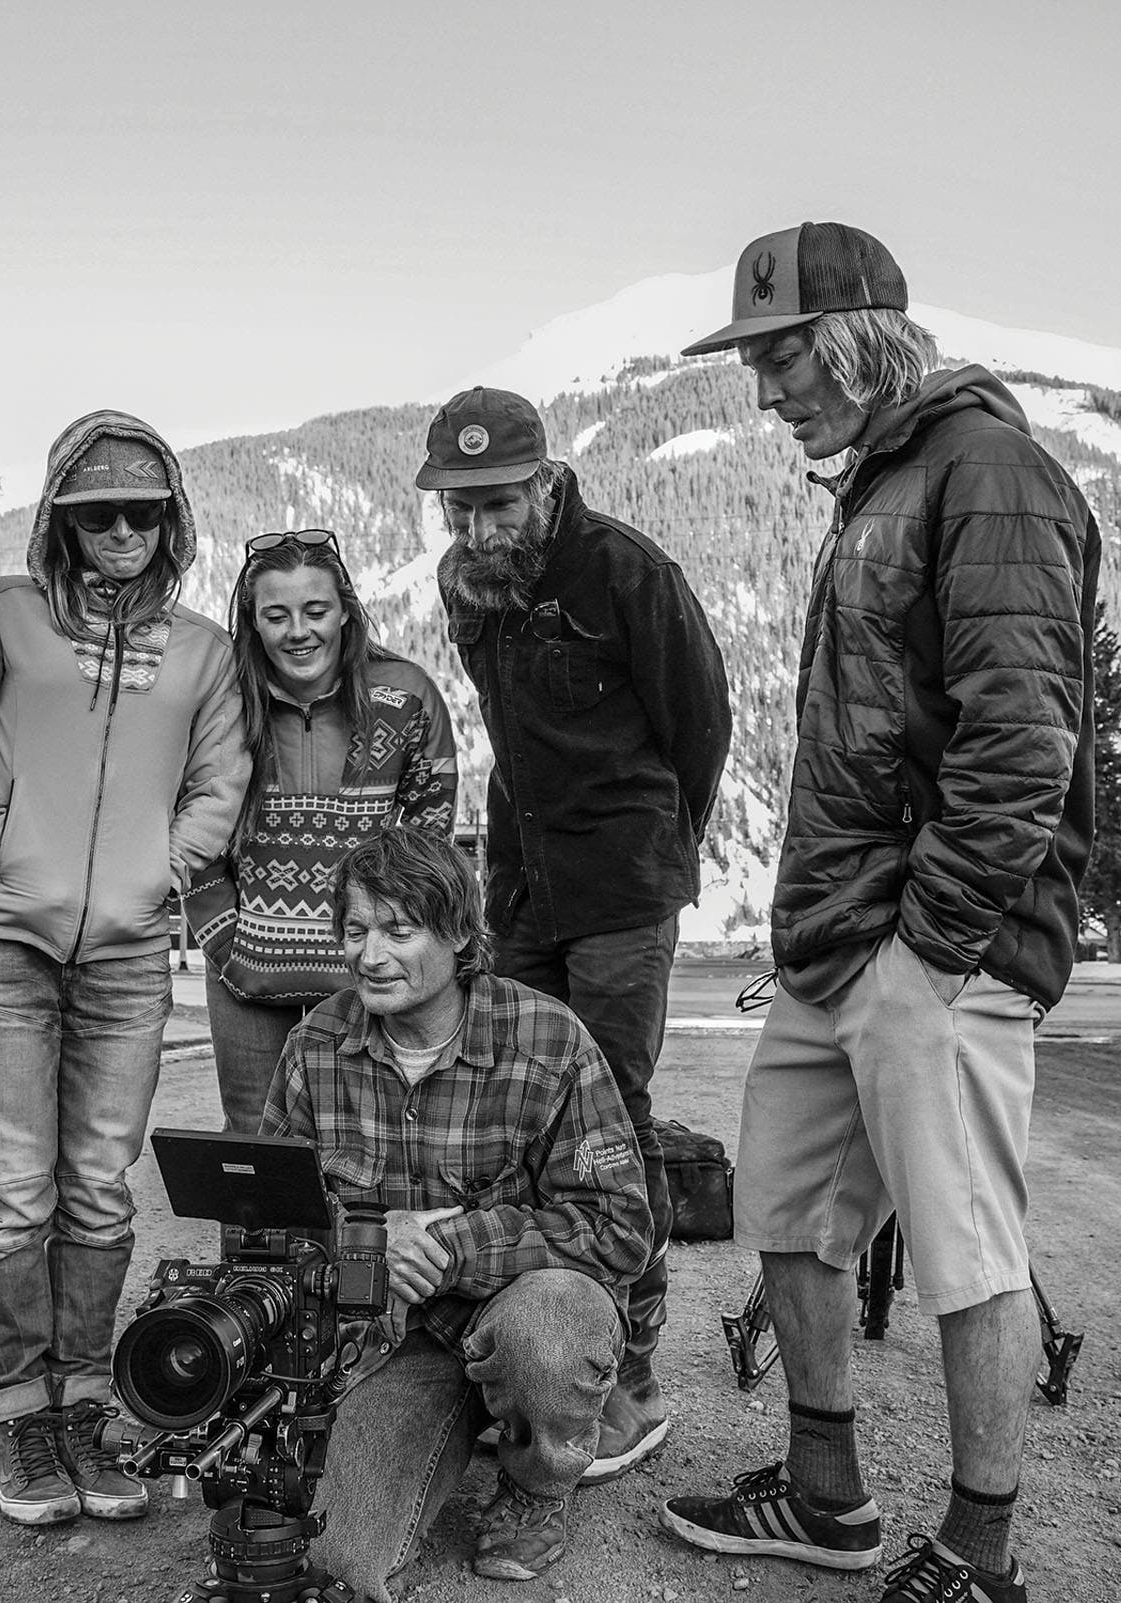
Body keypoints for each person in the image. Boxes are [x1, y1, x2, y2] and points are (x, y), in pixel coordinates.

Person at [658, 223, 1099, 1603]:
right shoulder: (888, 479)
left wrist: (934, 943)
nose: (764, 388)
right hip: (842, 936)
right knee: (786, 1212)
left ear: (855, 338)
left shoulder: (990, 475)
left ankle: (983, 1550)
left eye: (780, 354)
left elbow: (1022, 740)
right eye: (756, 360)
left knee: (964, 1244)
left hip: (934, 946)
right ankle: (826, 1491)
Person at [0, 411, 251, 1530]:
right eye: (96, 512)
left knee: (101, 1185)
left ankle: (85, 1401)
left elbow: (220, 782)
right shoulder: (3, 613)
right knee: (13, 1185)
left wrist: (168, 866)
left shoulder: (202, 651)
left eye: (142, 514)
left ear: (173, 523)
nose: (120, 531)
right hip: (3, 936)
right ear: (60, 518)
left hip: (126, 951)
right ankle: (21, 1409)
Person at [418, 386, 731, 1482]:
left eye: (496, 504)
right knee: (519, 1106)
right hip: (522, 887)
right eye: (456, 511)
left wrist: (649, 848)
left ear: (546, 483)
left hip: (622, 888)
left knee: (614, 1116)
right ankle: (530, 1352)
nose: (475, 530)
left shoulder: (628, 573)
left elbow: (702, 726)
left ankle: (630, 1368)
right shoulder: (471, 592)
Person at [261, 826, 650, 1598]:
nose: (370, 954)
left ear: (461, 935)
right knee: (339, 1558)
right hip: (395, 1338)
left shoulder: (548, 1038)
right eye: (355, 928)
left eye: (398, 930)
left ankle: (539, 1484)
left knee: (547, 1333)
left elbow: (620, 1228)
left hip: (520, 1309)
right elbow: (267, 1219)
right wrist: (366, 1241)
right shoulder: (316, 1044)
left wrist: (450, 1242)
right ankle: (452, 1419)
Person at [185, 528, 457, 1132]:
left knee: (370, 1136)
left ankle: (366, 1234)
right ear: (253, 622)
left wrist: (386, 942)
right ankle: (259, 1234)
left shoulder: (405, 695)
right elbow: (193, 825)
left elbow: (428, 837)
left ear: (345, 612)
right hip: (247, 971)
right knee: (256, 1140)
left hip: (370, 967)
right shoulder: (222, 702)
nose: (298, 631)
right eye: (276, 615)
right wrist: (230, 943)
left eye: (315, 610)